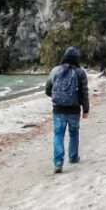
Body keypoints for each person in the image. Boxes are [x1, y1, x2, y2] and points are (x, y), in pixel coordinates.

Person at [45, 46, 89, 174]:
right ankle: (73, 157)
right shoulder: (80, 72)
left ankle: (58, 163)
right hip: (74, 109)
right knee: (74, 133)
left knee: (58, 135)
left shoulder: (55, 70)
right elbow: (84, 93)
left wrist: (57, 98)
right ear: (76, 59)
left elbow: (48, 89)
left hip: (58, 109)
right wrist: (85, 109)